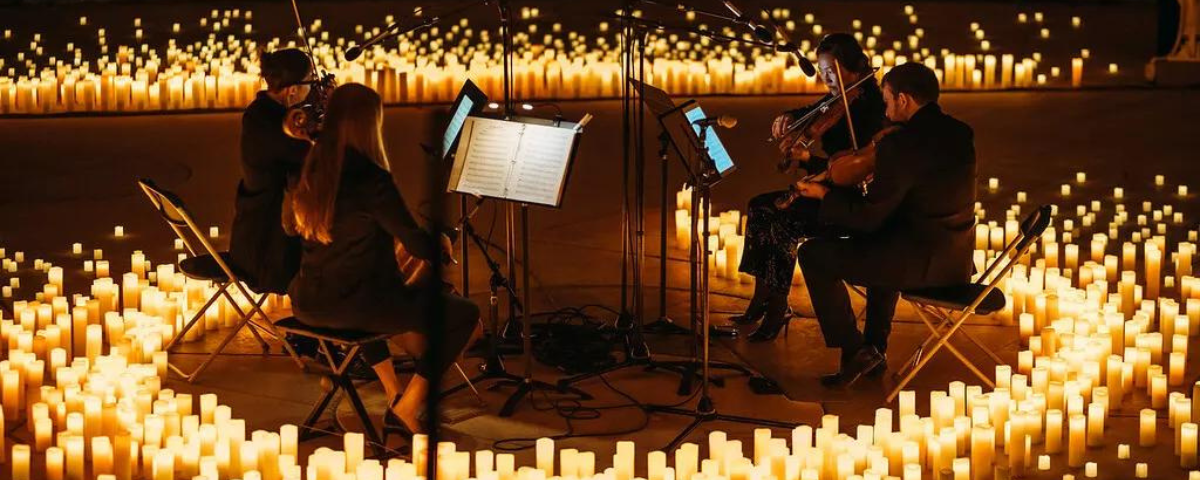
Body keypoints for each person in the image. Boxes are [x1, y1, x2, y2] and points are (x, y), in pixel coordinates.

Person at [287, 83, 481, 436]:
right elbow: (418, 246)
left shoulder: (313, 166)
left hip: (308, 302)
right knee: (463, 314)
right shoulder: (371, 178)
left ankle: (392, 390)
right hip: (357, 308)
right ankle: (408, 406)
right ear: (369, 125)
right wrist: (438, 239)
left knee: (361, 288)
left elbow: (290, 227)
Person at [793, 62, 976, 387]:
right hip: (956, 261)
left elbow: (867, 217)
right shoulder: (961, 132)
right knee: (885, 242)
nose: (887, 109)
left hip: (921, 266)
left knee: (813, 255)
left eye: (889, 100)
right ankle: (874, 349)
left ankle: (857, 349)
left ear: (904, 99)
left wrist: (824, 194)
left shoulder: (900, 145)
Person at [734, 33, 886, 342]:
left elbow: (849, 171)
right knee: (760, 207)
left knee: (783, 222)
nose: (825, 77)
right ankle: (762, 298)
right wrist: (788, 117)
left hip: (849, 200)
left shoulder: (870, 108)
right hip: (829, 188)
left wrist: (807, 161)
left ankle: (777, 308)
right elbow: (812, 111)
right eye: (822, 70)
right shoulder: (839, 99)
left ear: (854, 68)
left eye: (831, 70)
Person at [229, 48, 314, 294]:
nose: (313, 88)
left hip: (256, 232)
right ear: (292, 90)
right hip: (267, 250)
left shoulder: (264, 111)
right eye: (310, 83)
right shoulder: (271, 122)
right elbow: (311, 154)